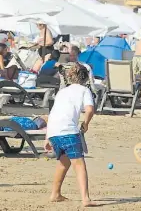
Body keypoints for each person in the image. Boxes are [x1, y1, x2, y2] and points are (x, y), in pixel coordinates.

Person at [44, 63, 96, 207]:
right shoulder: (84, 90)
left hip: (54, 130)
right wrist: (86, 123)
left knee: (63, 162)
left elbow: (53, 114)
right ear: (85, 78)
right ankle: (85, 198)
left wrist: (47, 136)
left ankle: (55, 193)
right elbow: (90, 110)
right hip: (68, 131)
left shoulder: (62, 91)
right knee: (79, 164)